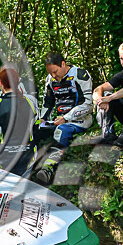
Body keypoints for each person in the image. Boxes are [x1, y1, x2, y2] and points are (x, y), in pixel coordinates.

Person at [34, 54, 94, 184]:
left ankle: (48, 169)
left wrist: (66, 118)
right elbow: (47, 102)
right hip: (59, 119)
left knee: (61, 131)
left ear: (63, 64)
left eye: (55, 71)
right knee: (34, 130)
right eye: (51, 73)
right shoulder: (50, 79)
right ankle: (27, 166)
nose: (54, 76)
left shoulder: (80, 75)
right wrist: (42, 119)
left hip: (80, 120)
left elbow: (88, 105)